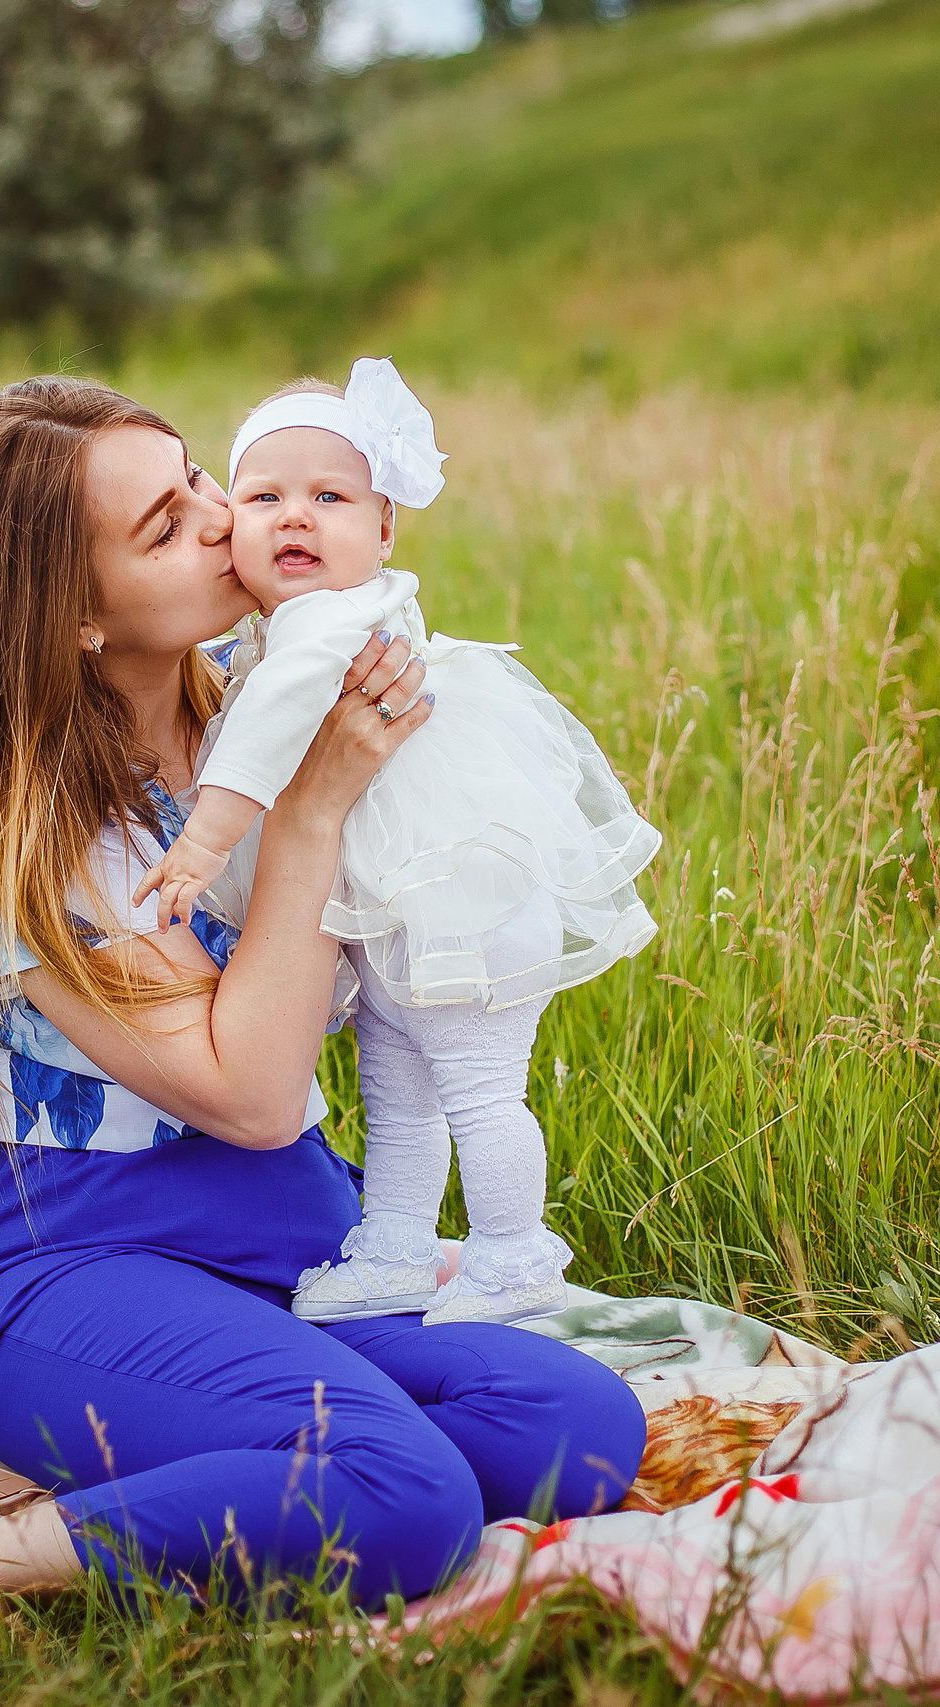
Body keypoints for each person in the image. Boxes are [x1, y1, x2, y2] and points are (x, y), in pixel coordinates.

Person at [0, 376, 644, 1641]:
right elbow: (257, 1100)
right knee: (405, 1498)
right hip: (87, 1276)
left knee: (575, 1429)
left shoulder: (252, 693)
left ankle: (130, 1467)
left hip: (289, 1248)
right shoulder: (29, 839)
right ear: (76, 617)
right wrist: (314, 805)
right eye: (164, 526)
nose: (226, 519)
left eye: (202, 476)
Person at [135, 360, 661, 1328]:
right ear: (232, 528)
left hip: (461, 910)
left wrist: (206, 839)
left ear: (382, 530)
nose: (294, 517)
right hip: (400, 914)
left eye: (328, 497)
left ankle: (512, 1256)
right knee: (398, 1088)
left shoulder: (329, 621)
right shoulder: (293, 624)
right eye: (263, 497)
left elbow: (271, 727)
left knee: (476, 1088)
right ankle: (395, 1247)